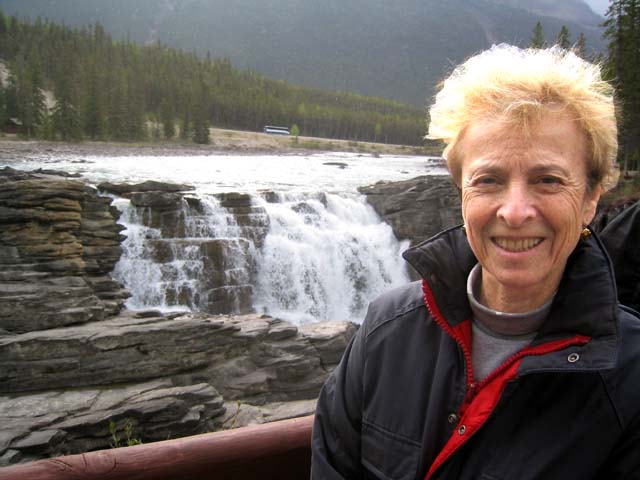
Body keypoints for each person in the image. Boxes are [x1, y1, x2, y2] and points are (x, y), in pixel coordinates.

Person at [311, 45, 640, 479]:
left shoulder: (631, 377)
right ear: (461, 192)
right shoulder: (384, 331)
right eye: (489, 180)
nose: (515, 212)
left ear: (590, 199)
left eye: (547, 180)